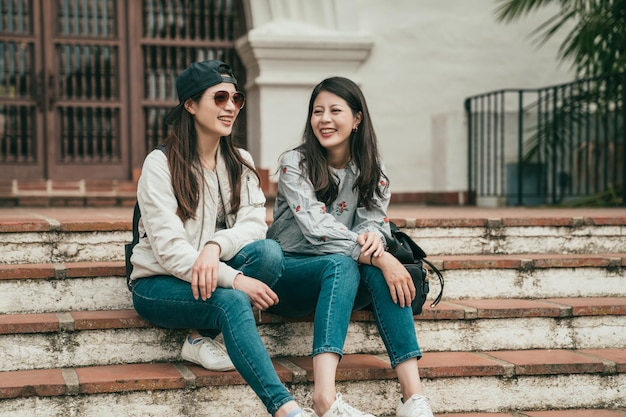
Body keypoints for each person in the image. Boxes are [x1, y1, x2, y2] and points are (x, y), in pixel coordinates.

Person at [129, 59, 316, 417]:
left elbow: (254, 226)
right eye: (219, 98)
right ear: (190, 104)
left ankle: (200, 337)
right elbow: (169, 252)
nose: (230, 107)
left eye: (236, 99)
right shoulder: (160, 164)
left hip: (211, 272)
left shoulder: (240, 161)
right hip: (159, 283)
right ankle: (286, 409)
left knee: (270, 253)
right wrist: (235, 279)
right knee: (232, 302)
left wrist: (215, 248)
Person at [266, 76, 435, 417]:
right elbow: (316, 229)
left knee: (374, 271)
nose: (324, 119)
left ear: (357, 119)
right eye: (317, 111)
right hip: (289, 276)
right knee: (349, 264)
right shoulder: (293, 165)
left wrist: (375, 240)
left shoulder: (372, 169)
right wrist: (380, 257)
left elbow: (375, 219)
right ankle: (324, 399)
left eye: (335, 110)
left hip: (340, 281)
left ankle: (413, 397)